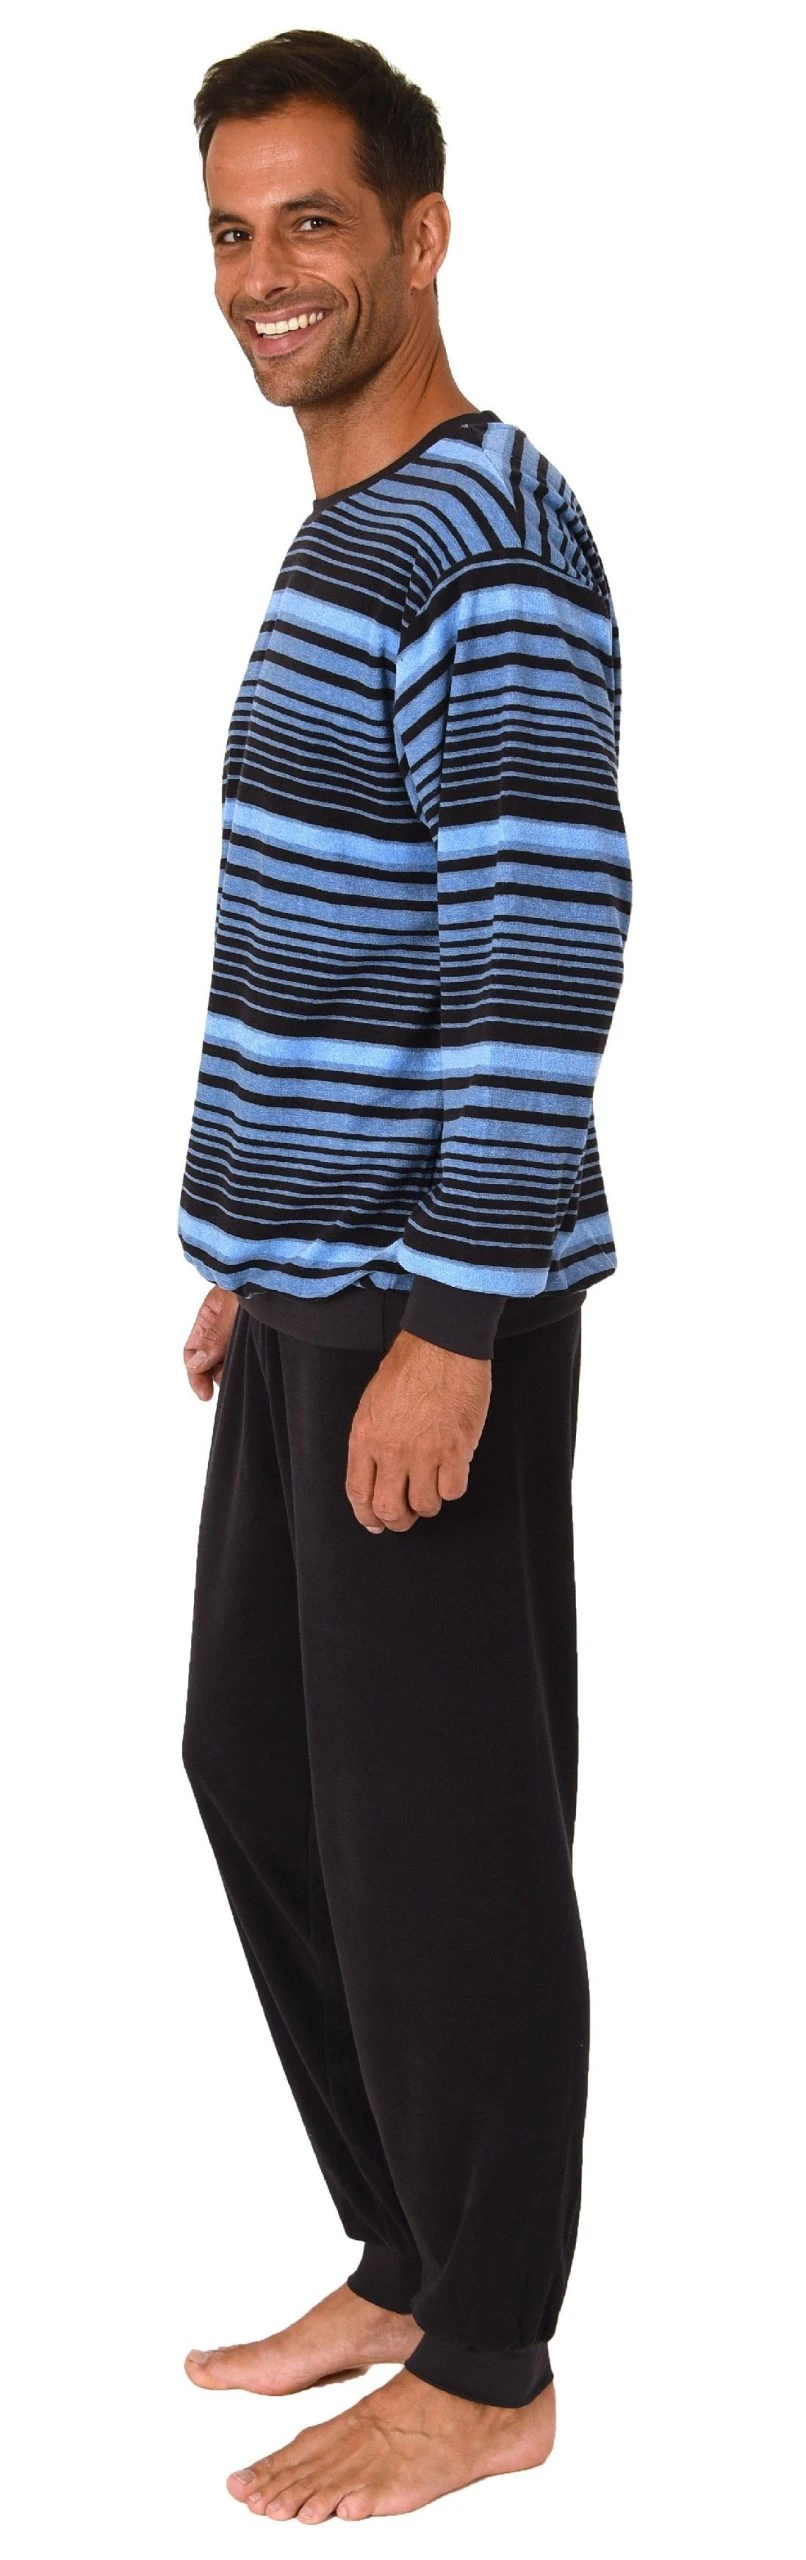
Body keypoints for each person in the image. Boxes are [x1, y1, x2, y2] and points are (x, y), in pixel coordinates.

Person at [178, 28, 632, 2523]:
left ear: (422, 235)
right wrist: (251, 1251)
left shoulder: (487, 551)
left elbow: (536, 962)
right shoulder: (354, 527)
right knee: (259, 1768)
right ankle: (405, 2240)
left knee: (440, 1829)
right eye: (232, 230)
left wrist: (449, 1324)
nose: (265, 273)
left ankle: (490, 2350)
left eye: (312, 222)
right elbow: (337, 933)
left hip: (428, 1301)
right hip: (313, 1283)